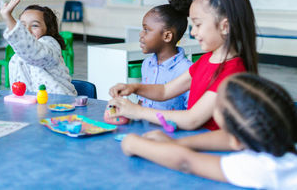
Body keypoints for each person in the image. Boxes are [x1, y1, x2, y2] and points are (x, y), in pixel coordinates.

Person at [109, 0, 257, 130]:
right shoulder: (206, 60)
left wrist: (137, 111)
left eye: (198, 25)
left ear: (224, 26)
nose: (192, 33)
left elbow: (191, 119)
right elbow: (166, 90)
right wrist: (134, 88)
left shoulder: (232, 73)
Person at [121, 73, 297, 190]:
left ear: (236, 141)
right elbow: (227, 138)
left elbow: (186, 162)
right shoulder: (283, 146)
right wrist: (177, 143)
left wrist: (133, 143)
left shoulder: (262, 169)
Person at [0, 0, 76, 96]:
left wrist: (8, 17)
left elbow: (33, 52)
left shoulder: (50, 45)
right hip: (33, 105)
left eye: (35, 25)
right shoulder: (20, 55)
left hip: (60, 104)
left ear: (49, 29)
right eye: (22, 25)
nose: (27, 30)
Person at [126, 0, 193, 110]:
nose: (141, 34)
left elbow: (191, 112)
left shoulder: (187, 70)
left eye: (146, 30)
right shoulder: (147, 64)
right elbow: (142, 101)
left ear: (167, 36)